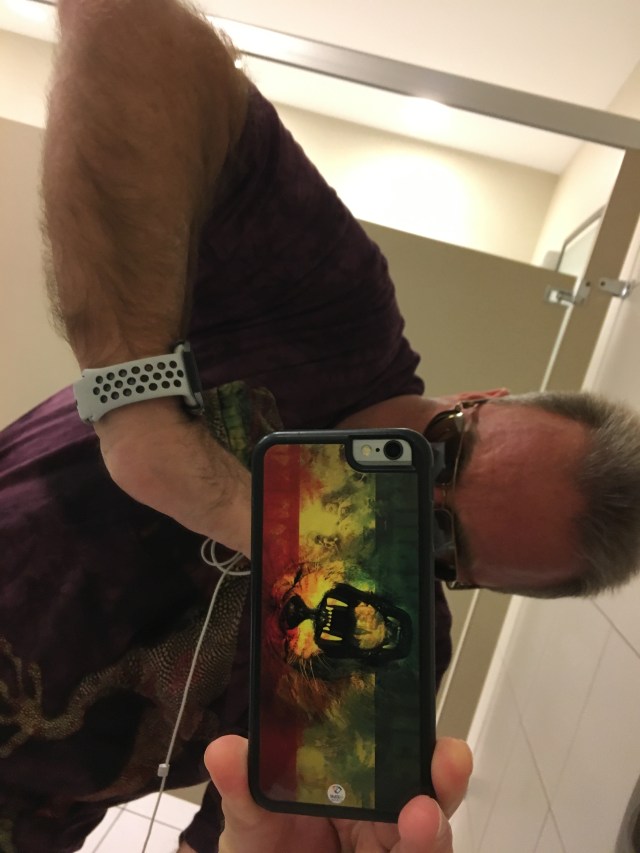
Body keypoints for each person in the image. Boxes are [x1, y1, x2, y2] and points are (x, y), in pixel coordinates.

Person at [2, 0, 640, 850]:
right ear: (481, 398)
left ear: (467, 582)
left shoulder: (387, 639)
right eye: (444, 453)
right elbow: (125, 22)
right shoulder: (334, 318)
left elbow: (238, 828)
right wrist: (138, 408)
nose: (400, 501)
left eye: (440, 538)